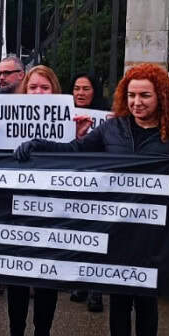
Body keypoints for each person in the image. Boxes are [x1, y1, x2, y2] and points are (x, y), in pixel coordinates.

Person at [16, 63, 169, 336]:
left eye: (145, 95)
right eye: (131, 96)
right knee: (119, 301)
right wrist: (39, 145)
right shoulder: (112, 129)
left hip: (154, 234)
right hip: (117, 229)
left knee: (146, 304)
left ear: (161, 96)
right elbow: (76, 152)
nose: (137, 102)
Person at [0, 64, 61, 336]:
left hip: (52, 208)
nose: (38, 93)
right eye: (33, 88)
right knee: (16, 273)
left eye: (45, 88)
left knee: (46, 277)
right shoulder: (6, 118)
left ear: (54, 91)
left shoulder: (65, 123)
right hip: (15, 204)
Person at [67, 72, 107, 312]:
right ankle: (80, 282)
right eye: (76, 88)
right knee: (77, 234)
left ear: (95, 91)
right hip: (73, 180)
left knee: (96, 236)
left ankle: (96, 290)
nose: (80, 93)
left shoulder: (107, 116)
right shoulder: (63, 113)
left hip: (99, 183)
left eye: (86, 88)